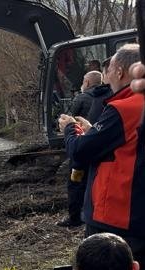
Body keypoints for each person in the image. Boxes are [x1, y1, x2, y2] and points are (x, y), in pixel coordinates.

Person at [58, 44, 145, 270]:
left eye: (110, 69)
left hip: (117, 216)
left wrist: (70, 129)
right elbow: (122, 145)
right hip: (136, 214)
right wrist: (92, 130)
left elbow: (80, 152)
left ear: (120, 72)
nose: (106, 76)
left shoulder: (125, 107)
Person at [57, 70, 108, 228]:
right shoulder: (107, 96)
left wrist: (67, 127)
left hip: (80, 146)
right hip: (98, 147)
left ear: (86, 83)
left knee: (75, 182)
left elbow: (69, 117)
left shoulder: (82, 97)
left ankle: (74, 218)